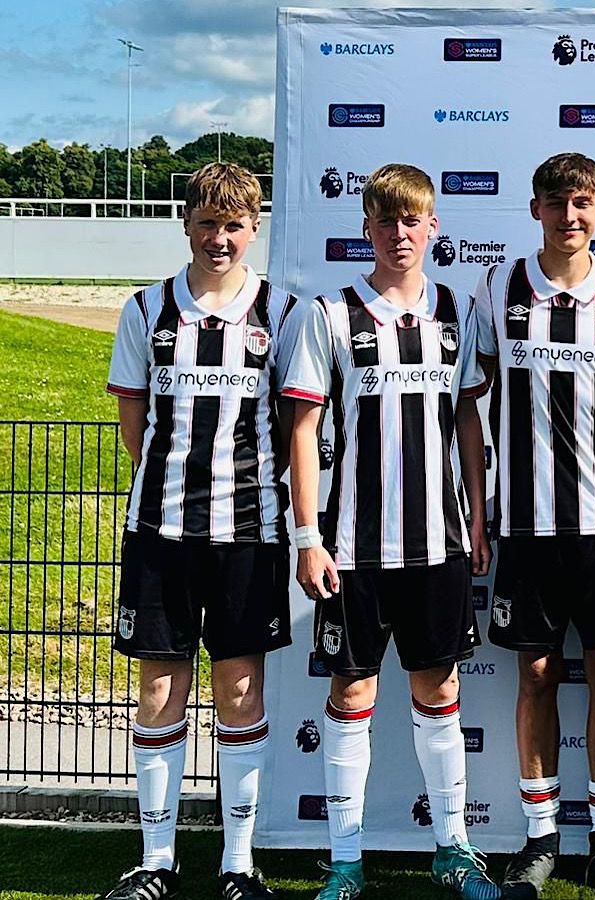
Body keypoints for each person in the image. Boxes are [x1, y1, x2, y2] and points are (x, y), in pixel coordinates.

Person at [278, 163, 499, 900]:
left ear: (433, 227)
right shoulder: (328, 313)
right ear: (366, 229)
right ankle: (345, 862)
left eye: (413, 220)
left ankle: (454, 850)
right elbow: (302, 430)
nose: (400, 233)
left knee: (438, 690)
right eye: (386, 221)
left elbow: (467, 418)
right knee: (351, 693)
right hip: (352, 547)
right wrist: (306, 537)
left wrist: (477, 512)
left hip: (437, 543)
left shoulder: (456, 311)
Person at [101, 162, 291, 900]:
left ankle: (238, 864)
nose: (220, 238)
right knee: (158, 691)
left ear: (254, 230)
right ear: (186, 223)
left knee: (240, 689)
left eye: (234, 225)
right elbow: (134, 425)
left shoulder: (281, 311)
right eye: (207, 222)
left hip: (250, 532)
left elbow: (294, 424)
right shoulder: (146, 310)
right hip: (160, 531)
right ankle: (156, 860)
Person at [472, 152, 595, 900]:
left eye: (583, 204)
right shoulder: (498, 286)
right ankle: (539, 839)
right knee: (536, 674)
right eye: (556, 203)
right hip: (524, 525)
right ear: (535, 208)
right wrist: (475, 510)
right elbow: (463, 401)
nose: (569, 217)